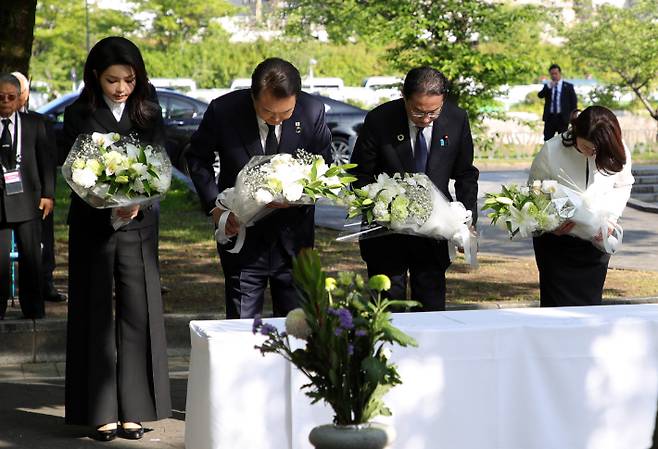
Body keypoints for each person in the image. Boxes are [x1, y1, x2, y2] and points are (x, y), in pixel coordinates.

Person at [62, 36, 171, 441]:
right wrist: (103, 199)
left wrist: (137, 202)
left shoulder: (149, 109)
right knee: (93, 311)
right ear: (95, 77)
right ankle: (99, 410)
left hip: (139, 224)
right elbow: (73, 167)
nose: (121, 88)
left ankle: (135, 410)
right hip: (93, 224)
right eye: (112, 80)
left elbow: (159, 160)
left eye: (128, 79)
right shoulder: (78, 113)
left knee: (137, 310)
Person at [186, 57, 332, 319]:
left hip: (293, 237)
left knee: (296, 328)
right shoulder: (224, 110)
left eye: (285, 113)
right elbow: (197, 158)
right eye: (267, 112)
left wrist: (301, 196)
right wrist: (215, 208)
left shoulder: (312, 111)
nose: (276, 119)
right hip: (242, 232)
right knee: (242, 326)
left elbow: (324, 166)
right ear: (253, 97)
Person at [350, 66, 479, 311]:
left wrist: (467, 221)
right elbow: (359, 174)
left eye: (433, 112)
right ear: (404, 97)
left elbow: (466, 174)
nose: (426, 119)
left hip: (434, 235)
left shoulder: (456, 119)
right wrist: (383, 206)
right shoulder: (380, 120)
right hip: (386, 235)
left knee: (430, 308)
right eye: (418, 112)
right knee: (387, 309)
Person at [528, 106, 634, 307]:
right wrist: (549, 223)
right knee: (556, 309)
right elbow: (534, 191)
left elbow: (623, 184)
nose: (591, 154)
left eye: (596, 151)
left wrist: (611, 218)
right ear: (576, 133)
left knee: (590, 307)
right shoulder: (552, 150)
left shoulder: (617, 150)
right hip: (556, 245)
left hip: (596, 241)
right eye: (586, 148)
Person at [0, 74, 54, 320]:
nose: (6, 102)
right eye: (0, 98)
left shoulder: (34, 124)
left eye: (11, 97)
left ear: (20, 98)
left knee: (31, 257)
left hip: (28, 199)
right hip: (0, 202)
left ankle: (33, 309)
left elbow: (46, 162)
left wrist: (48, 194)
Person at [11, 71, 65, 303]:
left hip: (34, 193)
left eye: (19, 91)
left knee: (40, 242)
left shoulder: (39, 122)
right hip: (7, 193)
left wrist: (48, 193)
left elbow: (48, 161)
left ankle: (45, 283)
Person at [538, 64, 578, 141]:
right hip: (550, 117)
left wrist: (573, 116)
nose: (554, 76)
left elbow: (573, 102)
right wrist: (549, 87)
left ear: (560, 73)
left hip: (562, 118)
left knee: (563, 139)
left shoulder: (568, 86)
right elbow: (540, 95)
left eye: (555, 73)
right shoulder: (548, 86)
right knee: (548, 139)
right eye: (552, 74)